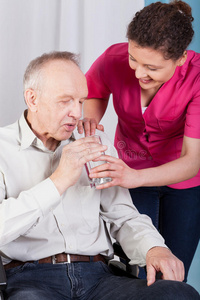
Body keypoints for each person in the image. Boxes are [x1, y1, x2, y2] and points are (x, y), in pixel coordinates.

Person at [0, 52, 199, 300]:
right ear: (33, 98)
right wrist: (59, 180)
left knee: (178, 294)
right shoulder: (2, 148)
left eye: (81, 101)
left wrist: (154, 248)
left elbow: (123, 214)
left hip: (98, 278)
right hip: (30, 279)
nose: (77, 112)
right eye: (65, 101)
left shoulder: (94, 141)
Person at [78, 0, 200, 282]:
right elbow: (95, 89)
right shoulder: (113, 58)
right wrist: (92, 122)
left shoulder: (196, 79)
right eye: (134, 59)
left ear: (180, 58)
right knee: (135, 271)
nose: (138, 73)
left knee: (171, 273)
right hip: (129, 171)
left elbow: (192, 160)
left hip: (182, 183)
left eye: (152, 67)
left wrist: (135, 176)